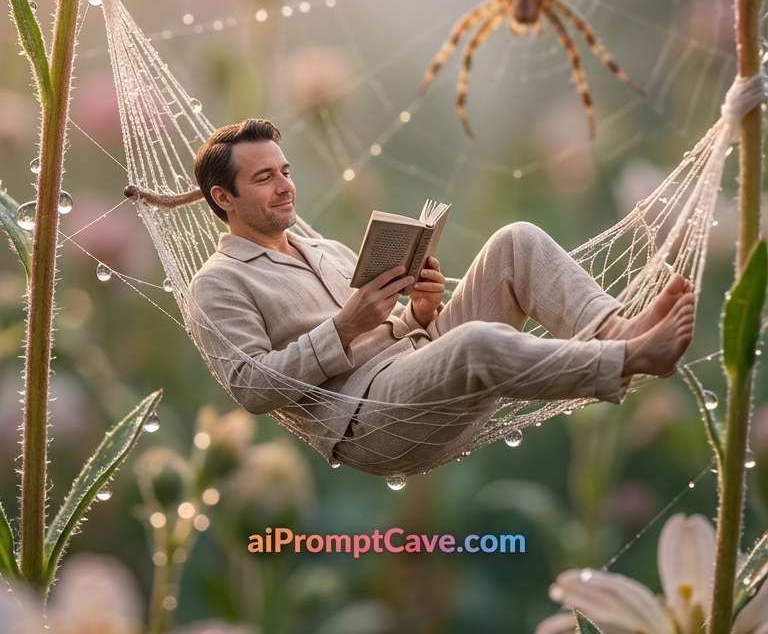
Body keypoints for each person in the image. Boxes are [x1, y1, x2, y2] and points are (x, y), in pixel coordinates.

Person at [187, 119, 695, 477]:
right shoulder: (219, 282)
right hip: (367, 419)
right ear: (223, 198)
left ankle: (618, 330)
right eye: (263, 178)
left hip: (417, 372)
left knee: (515, 241)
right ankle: (628, 359)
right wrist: (344, 326)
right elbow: (251, 387)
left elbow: (388, 333)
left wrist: (419, 314)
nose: (284, 187)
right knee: (476, 343)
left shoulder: (324, 249)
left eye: (285, 171)